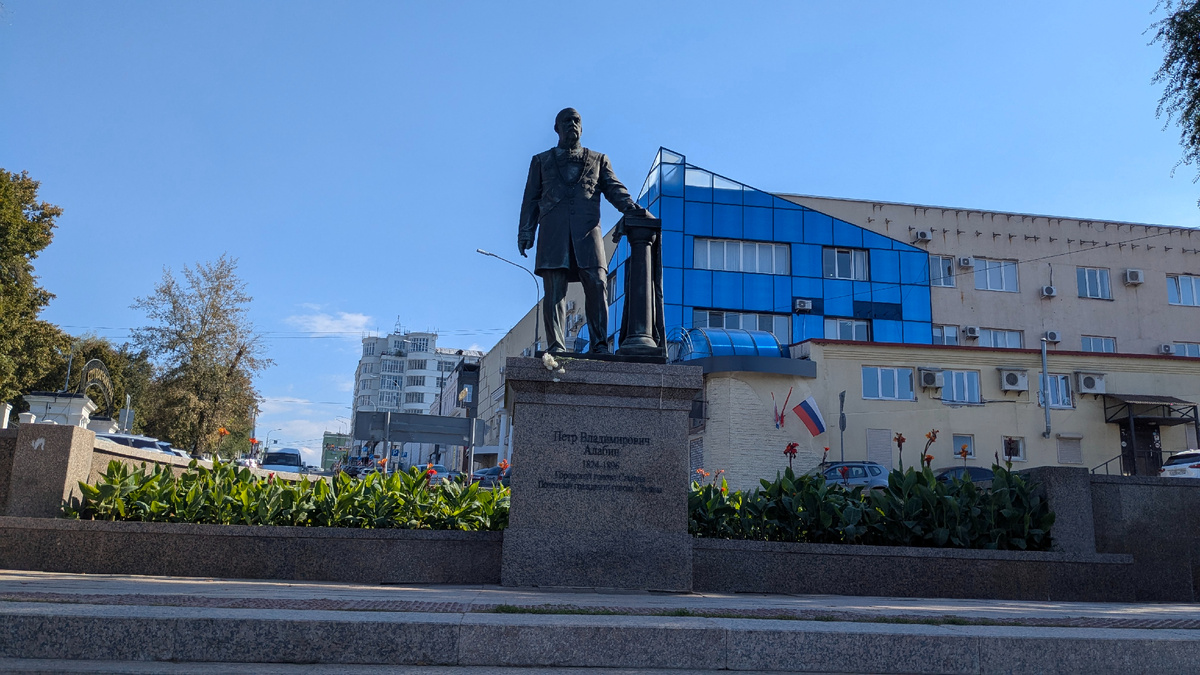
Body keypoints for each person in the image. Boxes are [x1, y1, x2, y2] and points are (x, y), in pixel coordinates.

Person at [518, 108, 651, 354]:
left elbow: (614, 189)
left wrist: (632, 209)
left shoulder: (598, 160)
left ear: (582, 126)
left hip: (587, 234)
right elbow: (530, 199)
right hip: (553, 234)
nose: (572, 124)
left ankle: (599, 344)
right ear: (556, 128)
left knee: (598, 284)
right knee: (555, 290)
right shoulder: (541, 160)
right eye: (566, 121)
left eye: (576, 120)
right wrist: (526, 232)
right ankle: (556, 345)